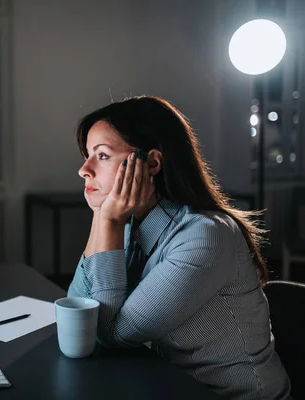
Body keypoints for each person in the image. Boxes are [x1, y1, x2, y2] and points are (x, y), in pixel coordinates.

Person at [68, 96, 291, 399]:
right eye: (88, 156)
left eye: (102, 156)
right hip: (173, 386)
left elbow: (110, 334)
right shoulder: (131, 223)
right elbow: (78, 311)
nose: (84, 169)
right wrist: (102, 215)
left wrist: (107, 219)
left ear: (152, 163)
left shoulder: (204, 237)